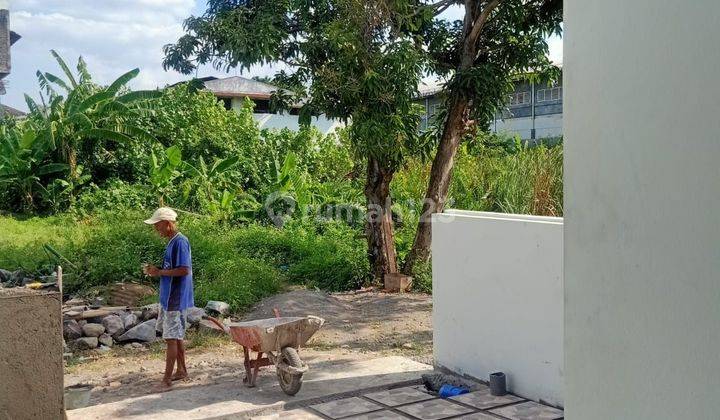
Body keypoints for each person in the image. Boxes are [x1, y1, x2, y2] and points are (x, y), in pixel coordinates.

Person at [142, 207, 194, 391]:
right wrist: (158, 271)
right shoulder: (172, 242)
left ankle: (166, 380)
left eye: (158, 225)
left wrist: (159, 272)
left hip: (176, 297)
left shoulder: (180, 242)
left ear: (167, 224)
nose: (156, 229)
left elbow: (183, 269)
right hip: (169, 296)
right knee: (176, 336)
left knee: (171, 338)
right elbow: (174, 268)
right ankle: (181, 370)